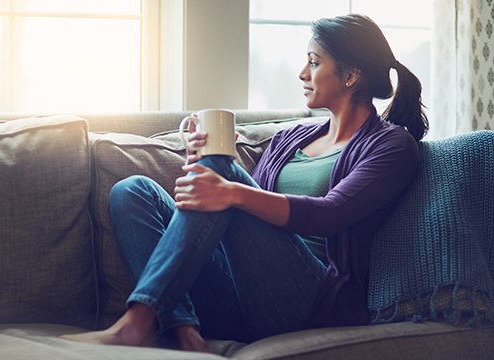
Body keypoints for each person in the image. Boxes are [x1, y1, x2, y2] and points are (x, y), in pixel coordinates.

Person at [61, 13, 429, 352]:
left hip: (309, 300)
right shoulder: (292, 138)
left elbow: (331, 213)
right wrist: (202, 160)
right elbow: (232, 218)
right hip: (241, 296)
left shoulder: (392, 146)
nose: (302, 73)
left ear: (351, 76)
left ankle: (139, 321)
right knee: (132, 191)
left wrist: (227, 181)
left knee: (223, 176)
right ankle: (182, 328)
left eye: (314, 62)